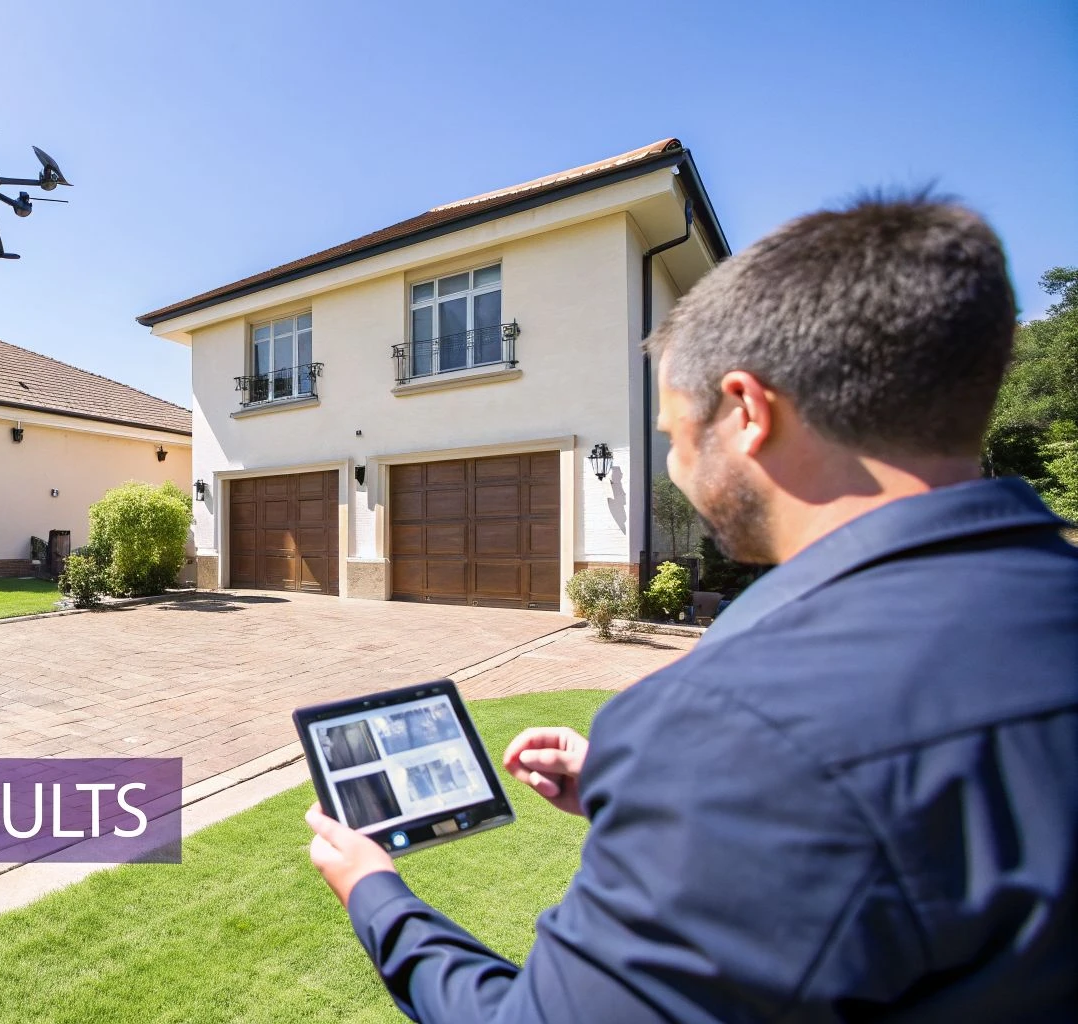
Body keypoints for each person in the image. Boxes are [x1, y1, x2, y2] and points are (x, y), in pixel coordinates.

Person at [305, 195, 1077, 1022]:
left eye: (674, 434)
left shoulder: (732, 727)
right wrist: (624, 784)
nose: (673, 467)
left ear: (748, 412)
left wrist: (376, 894)